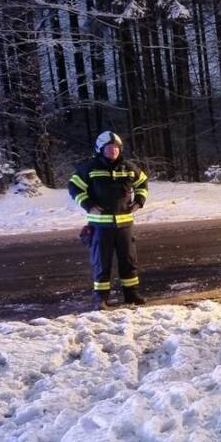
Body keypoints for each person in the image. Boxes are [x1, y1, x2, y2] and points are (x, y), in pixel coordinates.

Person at [67, 131, 149, 310]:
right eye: (109, 148)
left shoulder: (128, 167)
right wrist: (88, 204)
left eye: (116, 148)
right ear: (100, 149)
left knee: (128, 260)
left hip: (125, 225)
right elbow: (73, 186)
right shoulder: (90, 168)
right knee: (101, 262)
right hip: (100, 225)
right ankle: (101, 298)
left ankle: (131, 294)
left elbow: (142, 183)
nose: (113, 151)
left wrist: (139, 201)